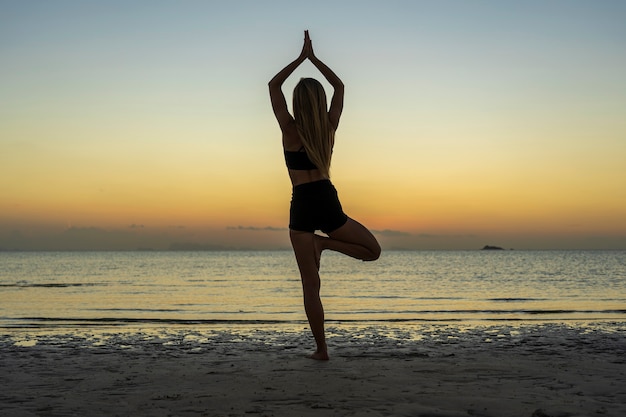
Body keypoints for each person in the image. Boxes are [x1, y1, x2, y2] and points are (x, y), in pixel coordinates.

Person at [269, 31, 381, 360]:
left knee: (310, 285)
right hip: (327, 201)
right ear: (319, 102)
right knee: (373, 251)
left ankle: (322, 350)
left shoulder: (289, 129)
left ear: (296, 103)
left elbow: (273, 87)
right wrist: (315, 60)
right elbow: (341, 88)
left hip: (301, 205)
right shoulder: (328, 128)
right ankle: (326, 243)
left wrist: (300, 58)